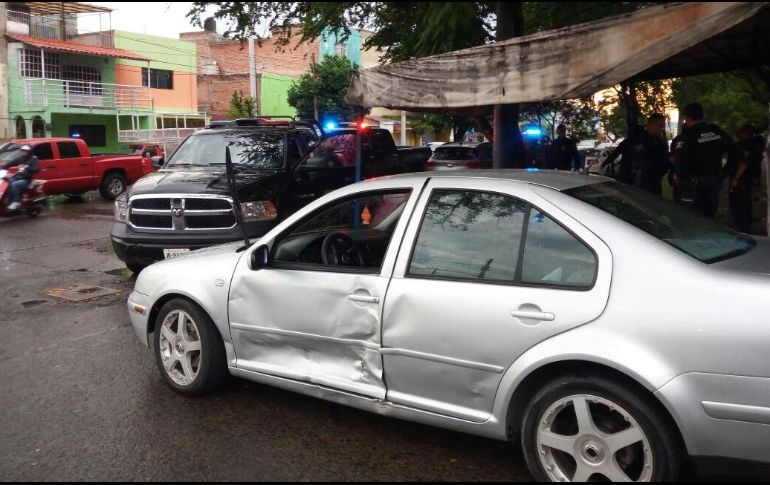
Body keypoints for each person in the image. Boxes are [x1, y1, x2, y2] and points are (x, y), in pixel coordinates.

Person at [671, 103, 732, 218]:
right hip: (713, 185)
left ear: (687, 117)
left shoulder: (687, 137)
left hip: (692, 188)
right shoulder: (717, 133)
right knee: (709, 218)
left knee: (689, 220)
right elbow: (736, 153)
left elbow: (679, 161)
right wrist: (723, 174)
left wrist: (678, 177)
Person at [603, 113, 669, 195]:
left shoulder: (660, 142)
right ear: (651, 125)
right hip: (633, 182)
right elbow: (617, 152)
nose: (662, 129)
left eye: (663, 127)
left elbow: (664, 160)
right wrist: (605, 164)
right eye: (660, 126)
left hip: (652, 184)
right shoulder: (635, 139)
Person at [725, 123, 763, 233]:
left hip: (742, 179)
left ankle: (741, 227)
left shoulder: (744, 146)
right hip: (748, 178)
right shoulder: (754, 145)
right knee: (745, 201)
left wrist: (735, 178)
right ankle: (745, 224)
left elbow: (743, 164)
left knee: (738, 203)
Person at [1, 144, 40, 211]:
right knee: (7, 182)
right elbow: (8, 164)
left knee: (15, 184)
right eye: (23, 150)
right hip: (18, 177)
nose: (24, 152)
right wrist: (2, 167)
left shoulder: (33, 159)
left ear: (30, 151)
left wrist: (26, 167)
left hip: (27, 180)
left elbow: (36, 170)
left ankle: (16, 202)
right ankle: (9, 201)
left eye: (26, 151)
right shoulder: (19, 158)